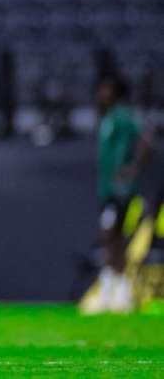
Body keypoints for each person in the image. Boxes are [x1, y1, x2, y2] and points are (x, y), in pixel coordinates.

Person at [89, 74, 152, 313]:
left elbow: (146, 137)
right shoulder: (108, 118)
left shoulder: (122, 115)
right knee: (112, 238)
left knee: (111, 237)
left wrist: (133, 168)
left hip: (120, 191)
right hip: (108, 190)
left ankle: (118, 293)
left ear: (116, 91)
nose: (101, 94)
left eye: (106, 89)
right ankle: (114, 292)